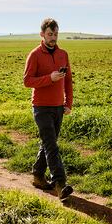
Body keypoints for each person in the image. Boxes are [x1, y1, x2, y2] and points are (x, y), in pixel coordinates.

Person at [23, 18, 73, 200]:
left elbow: (68, 80)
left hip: (58, 107)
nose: (53, 38)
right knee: (51, 145)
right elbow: (27, 81)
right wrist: (49, 78)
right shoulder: (35, 54)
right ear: (42, 34)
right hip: (41, 107)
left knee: (48, 143)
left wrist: (68, 104)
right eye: (50, 34)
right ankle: (60, 184)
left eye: (56, 34)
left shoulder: (63, 54)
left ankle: (37, 175)